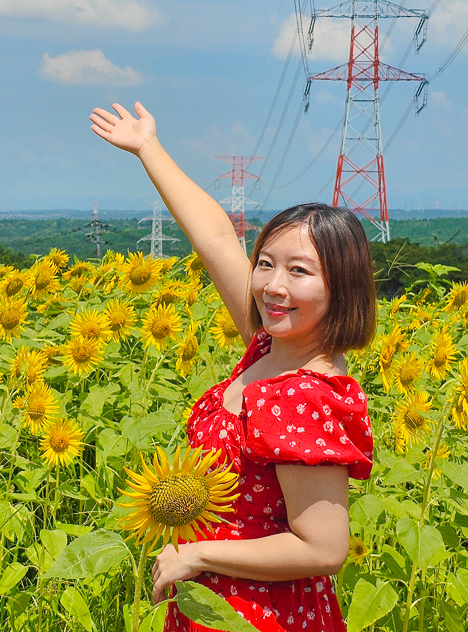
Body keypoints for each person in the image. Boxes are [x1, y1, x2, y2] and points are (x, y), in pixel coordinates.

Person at [90, 102, 377, 632]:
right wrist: (147, 148)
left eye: (299, 271)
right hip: (215, 603)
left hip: (263, 615)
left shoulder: (302, 396)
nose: (274, 285)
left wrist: (198, 555)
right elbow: (217, 239)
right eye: (266, 263)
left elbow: (322, 549)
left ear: (342, 288)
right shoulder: (268, 347)